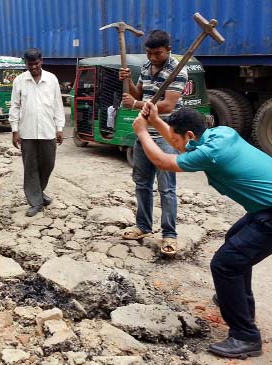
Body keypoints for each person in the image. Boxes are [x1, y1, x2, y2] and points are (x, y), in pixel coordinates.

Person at [133, 101, 272, 359]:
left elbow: (163, 160)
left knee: (225, 264)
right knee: (234, 243)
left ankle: (245, 337)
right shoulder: (221, 133)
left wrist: (142, 131)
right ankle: (238, 302)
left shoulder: (210, 153)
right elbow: (178, 142)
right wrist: (155, 121)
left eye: (176, 136)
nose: (174, 141)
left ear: (191, 136)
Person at [118, 30, 188, 257]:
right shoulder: (147, 68)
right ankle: (143, 227)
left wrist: (136, 104)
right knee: (142, 183)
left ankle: (169, 234)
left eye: (157, 53)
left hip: (166, 134)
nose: (152, 57)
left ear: (168, 49)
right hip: (144, 133)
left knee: (167, 188)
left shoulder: (178, 70)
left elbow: (166, 106)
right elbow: (139, 92)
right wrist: (127, 81)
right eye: (148, 53)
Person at [9, 48, 65, 217]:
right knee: (30, 167)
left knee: (48, 164)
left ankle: (39, 193)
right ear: (25, 63)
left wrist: (59, 128)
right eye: (30, 64)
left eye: (36, 63)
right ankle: (35, 202)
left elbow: (58, 105)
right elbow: (15, 106)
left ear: (42, 61)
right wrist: (14, 130)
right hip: (27, 132)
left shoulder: (51, 79)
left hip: (48, 131)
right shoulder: (19, 81)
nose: (33, 67)